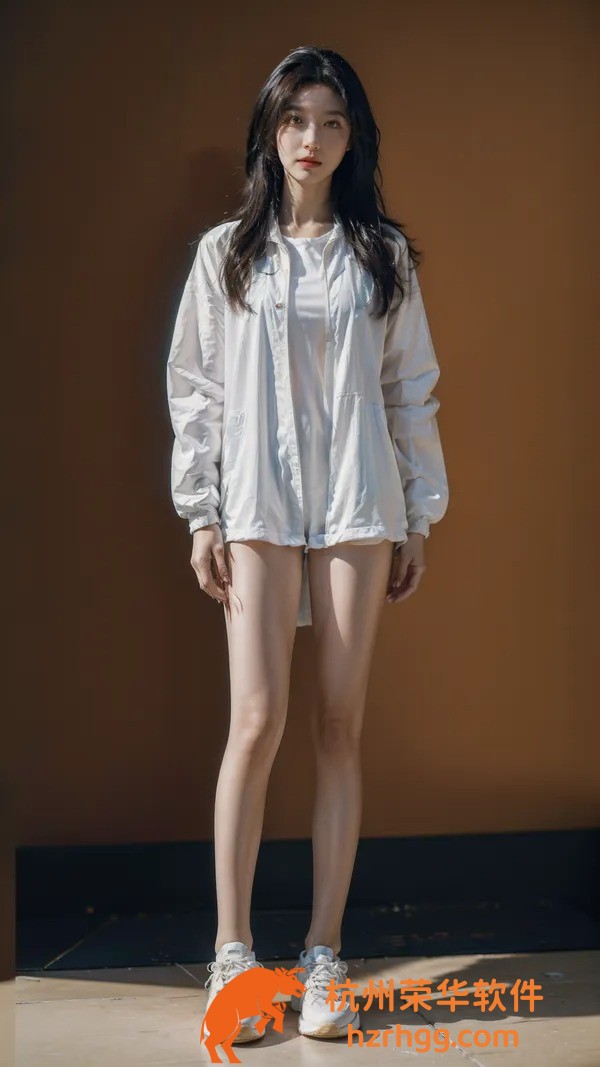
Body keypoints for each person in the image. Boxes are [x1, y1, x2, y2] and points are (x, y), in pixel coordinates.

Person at [165, 46, 449, 1043]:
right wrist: (201, 509)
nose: (311, 140)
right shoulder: (227, 255)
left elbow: (411, 387)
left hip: (359, 504)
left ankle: (325, 953)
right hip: (257, 502)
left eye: (331, 122)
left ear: (352, 137)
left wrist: (420, 510)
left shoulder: (383, 256)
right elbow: (196, 389)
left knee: (337, 724)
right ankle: (234, 954)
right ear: (270, 131)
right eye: (295, 120)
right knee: (255, 721)